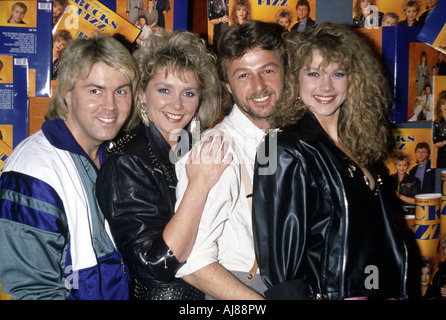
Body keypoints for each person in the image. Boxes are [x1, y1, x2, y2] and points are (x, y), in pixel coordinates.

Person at [252, 22, 407, 300]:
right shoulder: (282, 147)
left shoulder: (358, 145)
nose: (326, 86)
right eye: (313, 73)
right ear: (294, 79)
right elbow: (281, 271)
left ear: (354, 79)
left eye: (338, 73)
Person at [0, 35, 139, 300]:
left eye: (121, 90)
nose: (110, 105)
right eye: (95, 91)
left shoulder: (113, 153)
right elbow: (34, 292)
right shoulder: (33, 173)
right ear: (68, 95)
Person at [96, 30, 230, 300]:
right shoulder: (126, 162)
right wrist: (199, 185)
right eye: (164, 90)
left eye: (188, 92)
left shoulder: (190, 147)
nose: (177, 104)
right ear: (142, 94)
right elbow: (158, 263)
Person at [174, 20, 290, 300]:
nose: (259, 86)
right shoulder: (216, 150)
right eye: (243, 76)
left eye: (268, 70)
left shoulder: (290, 138)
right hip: (242, 290)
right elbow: (191, 262)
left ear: (286, 72)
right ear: (227, 86)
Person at [391, 152, 421, 216]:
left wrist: (400, 196)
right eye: (399, 165)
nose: (402, 168)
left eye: (404, 165)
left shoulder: (414, 180)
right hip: (394, 213)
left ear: (408, 166)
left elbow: (416, 201)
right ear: (395, 165)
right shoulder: (390, 179)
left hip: (410, 214)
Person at [433, 90, 446, 168]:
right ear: (439, 106)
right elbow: (436, 144)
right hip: (442, 158)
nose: (445, 106)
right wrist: (445, 142)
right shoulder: (437, 123)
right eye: (443, 104)